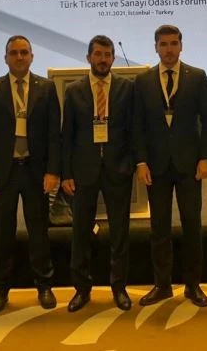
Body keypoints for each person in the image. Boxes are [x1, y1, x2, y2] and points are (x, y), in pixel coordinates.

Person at [0, 35, 60, 313]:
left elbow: (54, 134)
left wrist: (53, 171)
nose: (19, 57)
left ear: (32, 56)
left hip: (36, 172)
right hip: (4, 173)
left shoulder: (46, 88)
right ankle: (0, 289)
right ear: (6, 58)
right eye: (14, 53)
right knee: (3, 233)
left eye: (24, 52)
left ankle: (44, 285)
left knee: (39, 232)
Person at [133, 24, 207, 307]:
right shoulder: (142, 81)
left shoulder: (197, 77)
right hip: (156, 166)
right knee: (159, 228)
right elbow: (137, 126)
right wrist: (141, 161)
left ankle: (193, 285)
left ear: (181, 46)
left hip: (190, 165)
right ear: (156, 47)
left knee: (192, 226)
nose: (169, 49)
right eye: (164, 44)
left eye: (173, 43)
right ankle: (162, 284)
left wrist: (206, 157)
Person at [61, 35, 135, 312]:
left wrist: (132, 163)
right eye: (98, 55)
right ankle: (82, 289)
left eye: (107, 55)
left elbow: (134, 130)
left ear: (113, 58)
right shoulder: (74, 90)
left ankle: (119, 287)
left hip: (118, 169)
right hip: (84, 171)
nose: (103, 60)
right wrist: (66, 173)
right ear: (88, 57)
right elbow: (67, 135)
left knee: (120, 232)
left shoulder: (127, 88)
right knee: (81, 231)